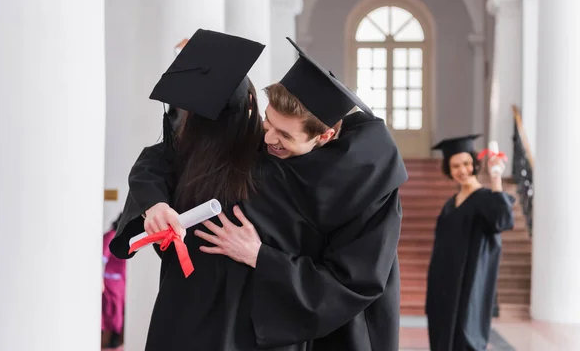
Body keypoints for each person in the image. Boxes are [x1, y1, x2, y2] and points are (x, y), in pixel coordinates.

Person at [111, 35, 407, 350]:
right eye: (268, 123)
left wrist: (261, 257)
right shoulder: (253, 146)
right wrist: (155, 206)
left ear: (326, 135)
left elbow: (353, 283)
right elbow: (162, 159)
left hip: (269, 330)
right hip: (194, 318)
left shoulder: (363, 187)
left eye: (285, 135)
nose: (269, 140)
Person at [425, 135, 515, 351]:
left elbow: (502, 220)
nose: (462, 170)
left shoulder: (485, 197)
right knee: (441, 335)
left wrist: (496, 179)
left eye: (466, 163)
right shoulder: (450, 204)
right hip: (443, 283)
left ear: (475, 163)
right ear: (449, 169)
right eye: (455, 166)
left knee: (466, 334)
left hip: (470, 281)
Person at [102, 214, 126, 350]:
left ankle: (115, 344)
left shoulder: (122, 238)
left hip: (120, 283)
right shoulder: (111, 235)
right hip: (110, 282)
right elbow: (102, 258)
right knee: (111, 312)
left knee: (118, 313)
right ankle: (112, 344)